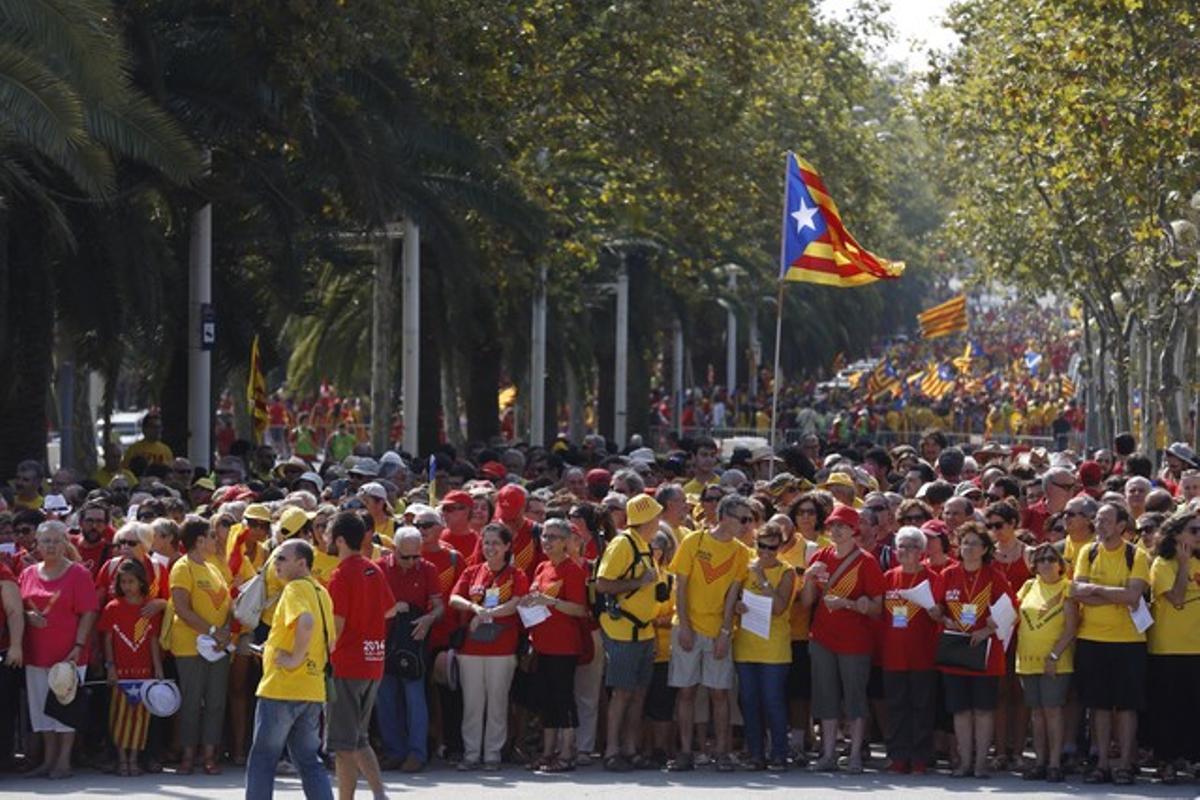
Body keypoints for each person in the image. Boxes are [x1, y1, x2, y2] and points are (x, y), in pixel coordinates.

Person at [667, 493, 752, 773]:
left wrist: (726, 632)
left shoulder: (741, 552)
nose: (747, 524)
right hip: (688, 626)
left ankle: (723, 753)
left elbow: (732, 595)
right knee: (687, 691)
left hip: (718, 630)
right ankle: (686, 752)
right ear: (725, 517)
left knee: (720, 693)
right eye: (743, 519)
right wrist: (686, 627)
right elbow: (680, 586)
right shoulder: (694, 541)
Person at [245, 539, 335, 800]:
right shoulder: (321, 592)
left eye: (282, 558)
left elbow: (305, 622)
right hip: (311, 689)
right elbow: (326, 637)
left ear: (302, 563)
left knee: (263, 759)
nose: (276, 563)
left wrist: (294, 659)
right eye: (275, 558)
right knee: (309, 760)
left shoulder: (295, 588)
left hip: (283, 689)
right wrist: (273, 648)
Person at [1071, 502, 1150, 786]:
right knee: (1099, 706)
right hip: (1092, 639)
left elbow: (1133, 596)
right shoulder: (1087, 552)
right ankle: (1102, 763)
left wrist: (1096, 590)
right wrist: (1111, 593)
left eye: (1106, 520)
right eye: (1098, 519)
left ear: (1121, 526)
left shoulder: (1136, 555)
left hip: (1128, 641)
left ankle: (1124, 765)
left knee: (1126, 707)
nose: (1100, 524)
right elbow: (1077, 592)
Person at [801, 503, 884, 774]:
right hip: (822, 637)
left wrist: (848, 604)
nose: (836, 531)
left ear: (853, 530)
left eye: (842, 526)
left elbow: (876, 607)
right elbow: (806, 602)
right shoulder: (821, 556)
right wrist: (808, 580)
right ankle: (827, 754)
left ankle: (856, 754)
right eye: (833, 526)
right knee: (825, 697)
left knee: (855, 698)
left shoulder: (867, 562)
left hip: (855, 641)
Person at [19, 520, 98, 778]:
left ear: (65, 543)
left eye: (55, 540)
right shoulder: (28, 573)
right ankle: (48, 759)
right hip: (36, 652)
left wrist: (78, 645)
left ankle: (63, 762)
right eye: (45, 541)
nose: (50, 546)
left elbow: (88, 613)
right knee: (40, 708)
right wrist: (28, 614)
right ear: (37, 544)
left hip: (69, 654)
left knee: (66, 708)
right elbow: (19, 606)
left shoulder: (78, 574)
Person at [448, 522, 529, 770]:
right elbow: (453, 598)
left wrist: (490, 612)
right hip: (471, 650)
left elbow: (517, 602)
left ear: (506, 546)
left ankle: (492, 753)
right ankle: (471, 753)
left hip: (502, 649)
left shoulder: (517, 574)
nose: (490, 547)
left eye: (495, 543)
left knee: (497, 702)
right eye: (486, 542)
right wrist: (475, 608)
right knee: (472, 703)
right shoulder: (472, 571)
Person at [327, 511, 397, 797]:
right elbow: (391, 609)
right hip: (373, 662)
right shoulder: (373, 568)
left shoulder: (341, 575)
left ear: (340, 540)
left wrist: (323, 652)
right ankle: (379, 795)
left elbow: (338, 625)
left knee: (345, 744)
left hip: (347, 664)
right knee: (358, 739)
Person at [935, 521, 1012, 778]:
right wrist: (941, 617)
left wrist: (987, 630)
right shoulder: (948, 574)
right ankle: (964, 762)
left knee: (982, 710)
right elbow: (937, 608)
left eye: (974, 544)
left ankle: (980, 763)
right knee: (961, 710)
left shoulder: (994, 576)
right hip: (956, 649)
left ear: (985, 549)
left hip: (984, 650)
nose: (968, 548)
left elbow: (1011, 609)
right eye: (964, 542)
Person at [594, 494, 661, 772]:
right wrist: (638, 581)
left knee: (638, 693)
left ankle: (630, 749)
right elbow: (602, 584)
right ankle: (612, 751)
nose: (659, 520)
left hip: (643, 632)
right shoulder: (623, 544)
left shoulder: (643, 544)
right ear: (648, 518)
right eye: (656, 516)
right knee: (622, 693)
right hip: (623, 631)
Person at [167, 516, 232, 775]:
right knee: (192, 702)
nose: (217, 541)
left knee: (216, 702)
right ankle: (188, 755)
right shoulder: (183, 567)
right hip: (190, 646)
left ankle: (209, 755)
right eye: (212, 536)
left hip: (218, 648)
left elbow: (227, 604)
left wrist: (224, 632)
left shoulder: (214, 568)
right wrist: (213, 632)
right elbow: (182, 609)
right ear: (199, 540)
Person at [522, 518, 588, 772]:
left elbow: (580, 609)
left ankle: (567, 751)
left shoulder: (572, 570)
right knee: (546, 700)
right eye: (544, 536)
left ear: (565, 542)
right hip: (542, 643)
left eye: (553, 537)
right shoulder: (541, 567)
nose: (547, 542)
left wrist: (551, 602)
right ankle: (548, 751)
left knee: (563, 698)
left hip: (564, 645)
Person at [376, 526, 442, 772]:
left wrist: (429, 619)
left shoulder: (428, 570)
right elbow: (369, 608)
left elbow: (438, 606)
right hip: (384, 641)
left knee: (416, 699)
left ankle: (417, 753)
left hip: (413, 643)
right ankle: (394, 751)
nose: (412, 561)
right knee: (386, 699)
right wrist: (394, 607)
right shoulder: (380, 569)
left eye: (417, 556)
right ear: (394, 550)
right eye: (406, 557)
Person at [730, 520, 795, 771]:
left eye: (772, 548)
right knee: (748, 701)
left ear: (779, 547)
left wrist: (761, 577)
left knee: (773, 701)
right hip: (746, 644)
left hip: (774, 648)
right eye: (762, 546)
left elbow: (779, 607)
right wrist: (737, 606)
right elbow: (733, 598)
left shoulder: (786, 571)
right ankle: (756, 753)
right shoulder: (744, 566)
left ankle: (779, 752)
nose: (766, 552)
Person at [880, 526, 944, 775]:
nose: (905, 551)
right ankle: (897, 757)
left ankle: (919, 758)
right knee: (896, 708)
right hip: (893, 655)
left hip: (923, 655)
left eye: (911, 546)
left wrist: (935, 612)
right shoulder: (889, 577)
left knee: (922, 708)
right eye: (901, 546)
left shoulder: (933, 578)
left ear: (922, 551)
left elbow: (940, 613)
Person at [1145, 508, 1200, 784]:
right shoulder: (1163, 564)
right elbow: (1177, 599)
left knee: (1194, 709)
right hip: (1169, 649)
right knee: (1168, 709)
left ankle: (1192, 758)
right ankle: (1166, 760)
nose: (1199, 535)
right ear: (1176, 535)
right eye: (1194, 531)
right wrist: (1183, 564)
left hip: (1197, 647)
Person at [1015, 543, 1077, 783]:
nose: (1046, 563)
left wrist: (1054, 656)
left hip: (1055, 660)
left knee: (1053, 711)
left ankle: (1054, 763)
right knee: (1037, 714)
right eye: (1041, 559)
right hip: (1027, 658)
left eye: (1051, 559)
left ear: (1061, 564)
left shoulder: (1067, 588)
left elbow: (1071, 628)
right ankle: (1039, 761)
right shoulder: (1029, 586)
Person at [98, 558, 164, 776]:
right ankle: (122, 760)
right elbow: (108, 639)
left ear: (141, 583)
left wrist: (158, 668)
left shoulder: (148, 608)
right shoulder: (112, 608)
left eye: (131, 581)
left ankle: (134, 759)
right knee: (119, 716)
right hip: (121, 674)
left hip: (143, 673)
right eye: (123, 581)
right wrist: (110, 666)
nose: (127, 586)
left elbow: (153, 640)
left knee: (140, 720)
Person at [984, 500, 1029, 771]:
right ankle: (1000, 750)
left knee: (1020, 693)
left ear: (1014, 524)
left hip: (1024, 629)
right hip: (996, 630)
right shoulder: (987, 555)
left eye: (999, 525)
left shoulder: (1029, 553)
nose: (994, 531)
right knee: (999, 692)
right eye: (989, 526)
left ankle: (1019, 750)